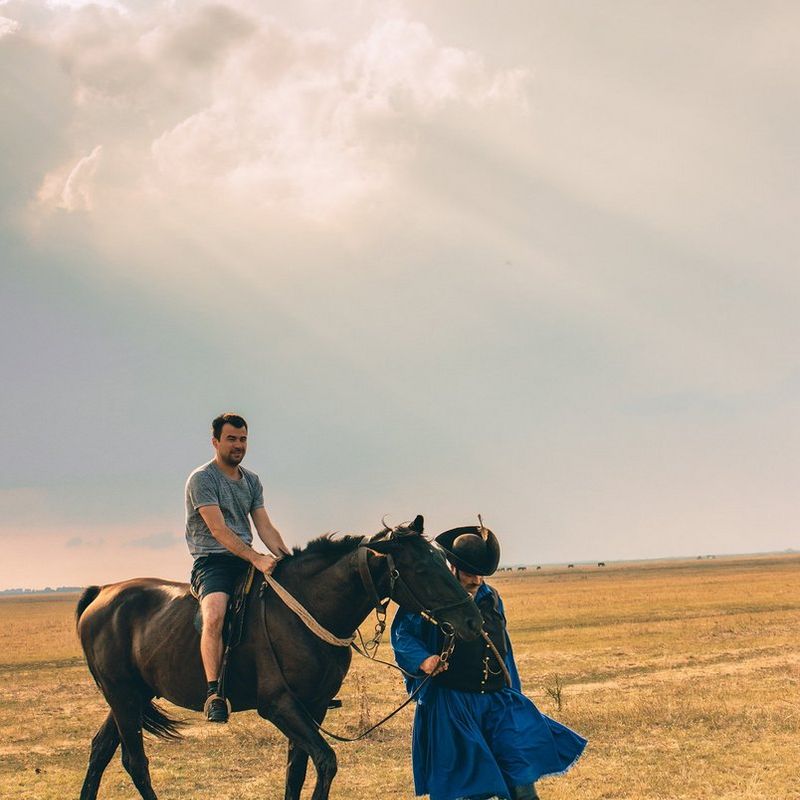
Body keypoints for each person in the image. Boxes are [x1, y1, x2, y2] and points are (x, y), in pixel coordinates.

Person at [391, 523, 587, 800]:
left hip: (497, 703)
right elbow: (403, 635)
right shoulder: (428, 596)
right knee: (473, 788)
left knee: (522, 782)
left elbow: (503, 648)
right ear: (453, 567)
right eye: (471, 573)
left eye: (481, 574)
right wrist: (424, 660)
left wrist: (514, 693)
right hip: (455, 706)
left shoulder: (491, 597)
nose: (477, 581)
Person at [185, 412, 291, 722]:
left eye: (243, 439)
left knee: (289, 604)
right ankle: (214, 692)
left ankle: (299, 684)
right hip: (213, 560)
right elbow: (218, 530)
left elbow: (265, 527)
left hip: (246, 557)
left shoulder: (252, 480)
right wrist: (256, 558)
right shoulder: (202, 479)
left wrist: (286, 559)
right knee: (215, 613)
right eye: (231, 439)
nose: (238, 445)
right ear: (215, 441)